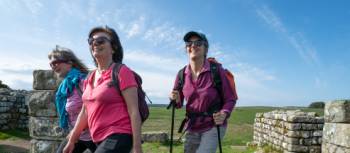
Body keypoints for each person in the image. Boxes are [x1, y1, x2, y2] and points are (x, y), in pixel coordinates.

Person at [63, 26, 142, 153]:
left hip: (119, 134)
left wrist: (137, 147)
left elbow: (134, 111)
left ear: (113, 47)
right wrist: (72, 139)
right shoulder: (90, 77)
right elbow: (85, 112)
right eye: (91, 41)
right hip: (98, 137)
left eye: (100, 40)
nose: (94, 43)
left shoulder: (122, 71)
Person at [169, 31, 238, 153]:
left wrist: (224, 113)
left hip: (213, 125)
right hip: (192, 126)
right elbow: (178, 104)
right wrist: (174, 99)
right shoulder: (181, 74)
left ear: (206, 49)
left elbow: (230, 99)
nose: (193, 46)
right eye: (189, 43)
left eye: (198, 43)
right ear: (186, 49)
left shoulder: (217, 71)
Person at [48, 46, 96, 153]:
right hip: (78, 135)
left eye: (55, 62)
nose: (53, 66)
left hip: (96, 135)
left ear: (69, 63)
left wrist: (76, 130)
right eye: (51, 64)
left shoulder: (83, 81)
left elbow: (95, 108)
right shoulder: (66, 87)